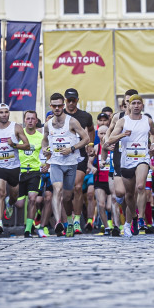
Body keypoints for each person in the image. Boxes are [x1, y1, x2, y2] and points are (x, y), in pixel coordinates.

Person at [106, 94, 154, 237]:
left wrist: (153, 144)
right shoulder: (123, 121)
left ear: (142, 105)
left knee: (140, 186)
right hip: (126, 160)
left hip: (142, 158)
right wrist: (122, 135)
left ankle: (138, 219)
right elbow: (110, 139)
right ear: (128, 106)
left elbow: (153, 134)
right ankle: (133, 219)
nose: (136, 106)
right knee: (128, 194)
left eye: (138, 103)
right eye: (133, 103)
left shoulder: (147, 120)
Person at [41, 93, 91, 237]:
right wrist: (45, 149)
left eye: (59, 105)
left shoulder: (72, 121)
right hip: (55, 162)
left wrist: (72, 148)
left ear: (63, 106)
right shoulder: (48, 124)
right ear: (50, 106)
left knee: (68, 197)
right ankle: (58, 222)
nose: (57, 108)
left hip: (70, 163)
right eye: (54, 106)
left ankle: (69, 220)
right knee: (57, 189)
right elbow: (44, 141)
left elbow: (86, 138)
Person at [0, 103, 30, 235]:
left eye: (6, 112)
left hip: (13, 166)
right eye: (1, 112)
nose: (4, 114)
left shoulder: (16, 127)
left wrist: (15, 145)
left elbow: (27, 145)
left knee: (14, 196)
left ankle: (9, 204)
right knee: (0, 192)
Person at [63, 88, 95, 234]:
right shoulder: (59, 116)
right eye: (68, 100)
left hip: (79, 155)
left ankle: (76, 221)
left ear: (77, 100)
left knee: (77, 187)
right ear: (65, 101)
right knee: (66, 193)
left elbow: (92, 130)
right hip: (63, 157)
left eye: (73, 100)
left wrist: (90, 145)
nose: (70, 103)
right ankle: (67, 219)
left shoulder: (85, 116)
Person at [16, 110, 44, 237]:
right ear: (24, 120)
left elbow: (46, 153)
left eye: (33, 119)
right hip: (20, 171)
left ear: (36, 121)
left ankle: (28, 229)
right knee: (20, 204)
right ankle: (9, 201)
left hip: (34, 171)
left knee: (32, 199)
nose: (30, 121)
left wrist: (46, 164)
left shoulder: (41, 137)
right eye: (28, 119)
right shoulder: (18, 134)